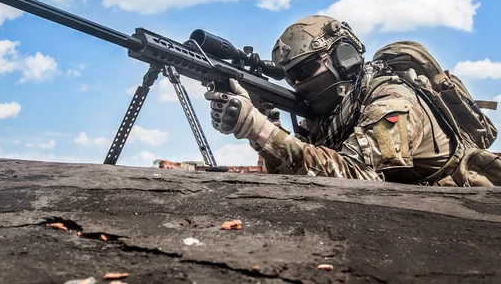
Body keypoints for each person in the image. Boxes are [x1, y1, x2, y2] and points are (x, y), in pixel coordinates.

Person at [204, 15, 500, 186]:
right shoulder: (333, 118)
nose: (298, 83)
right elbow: (306, 175)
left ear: (343, 59)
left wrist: (259, 130)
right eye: (291, 77)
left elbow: (357, 178)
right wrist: (266, 128)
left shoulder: (392, 103)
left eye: (306, 69)